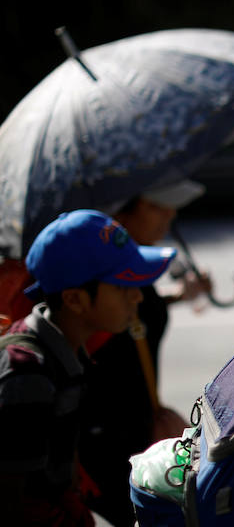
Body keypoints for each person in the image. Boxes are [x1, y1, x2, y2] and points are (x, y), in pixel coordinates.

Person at [0, 210, 175, 526]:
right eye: (123, 287)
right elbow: (14, 506)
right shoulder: (28, 373)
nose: (137, 297)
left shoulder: (65, 351)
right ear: (75, 300)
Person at [78, 180, 211, 526]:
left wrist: (177, 295)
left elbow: (139, 310)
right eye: (157, 206)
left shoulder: (131, 270)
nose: (170, 215)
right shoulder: (100, 269)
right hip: (110, 444)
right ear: (122, 210)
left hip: (136, 426)